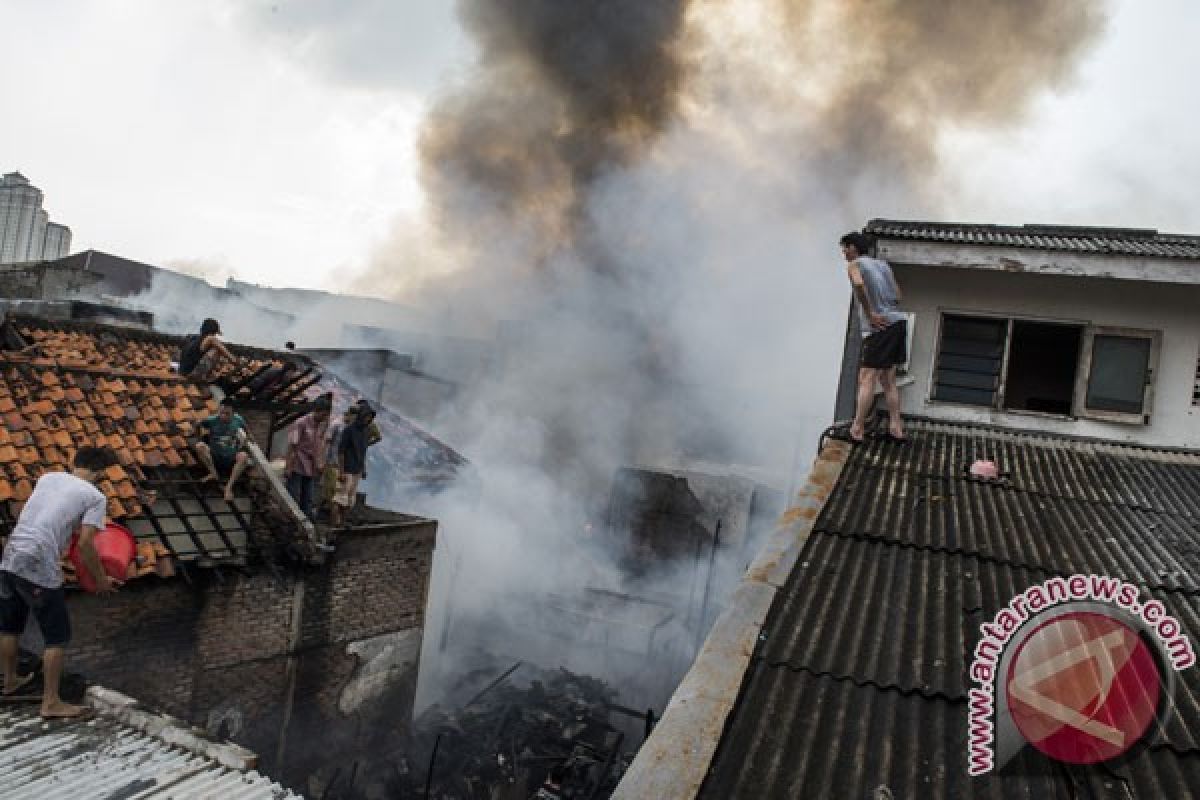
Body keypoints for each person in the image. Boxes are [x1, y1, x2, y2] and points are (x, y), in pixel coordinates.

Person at [1, 446, 119, 719]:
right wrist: (100, 580)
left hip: (11, 555)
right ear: (100, 472)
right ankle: (51, 702)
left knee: (9, 626)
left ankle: (9, 682)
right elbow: (87, 544)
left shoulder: (48, 477)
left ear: (73, 462)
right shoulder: (95, 496)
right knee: (57, 637)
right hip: (39, 561)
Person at [838, 231, 908, 444]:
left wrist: (870, 314)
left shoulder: (854, 265)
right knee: (888, 380)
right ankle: (896, 428)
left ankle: (857, 429)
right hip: (897, 322)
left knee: (866, 377)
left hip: (879, 327)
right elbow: (898, 295)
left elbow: (859, 285)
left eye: (844, 248)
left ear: (853, 248)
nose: (843, 253)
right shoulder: (884, 265)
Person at [194, 398, 250, 502]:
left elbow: (246, 428)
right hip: (215, 456)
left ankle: (228, 488)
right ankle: (213, 473)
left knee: (244, 456)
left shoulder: (238, 419)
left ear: (233, 413)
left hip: (230, 458)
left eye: (227, 414)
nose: (223, 416)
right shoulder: (212, 420)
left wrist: (246, 440)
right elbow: (198, 424)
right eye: (221, 412)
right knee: (199, 446)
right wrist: (199, 438)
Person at [285, 396, 331, 520]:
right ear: (317, 410)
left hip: (311, 466)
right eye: (324, 414)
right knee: (293, 494)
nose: (325, 417)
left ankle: (306, 520)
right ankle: (290, 519)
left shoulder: (321, 425)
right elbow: (293, 445)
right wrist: (288, 466)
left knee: (308, 496)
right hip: (297, 463)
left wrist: (320, 463)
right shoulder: (301, 423)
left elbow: (320, 446)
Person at [332, 401, 375, 527]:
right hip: (347, 469)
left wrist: (364, 468)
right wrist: (341, 471)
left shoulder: (366, 432)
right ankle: (334, 525)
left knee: (350, 501)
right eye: (367, 416)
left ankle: (343, 524)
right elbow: (341, 452)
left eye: (370, 418)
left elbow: (363, 451)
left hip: (357, 470)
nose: (368, 420)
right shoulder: (349, 430)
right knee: (339, 499)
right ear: (361, 415)